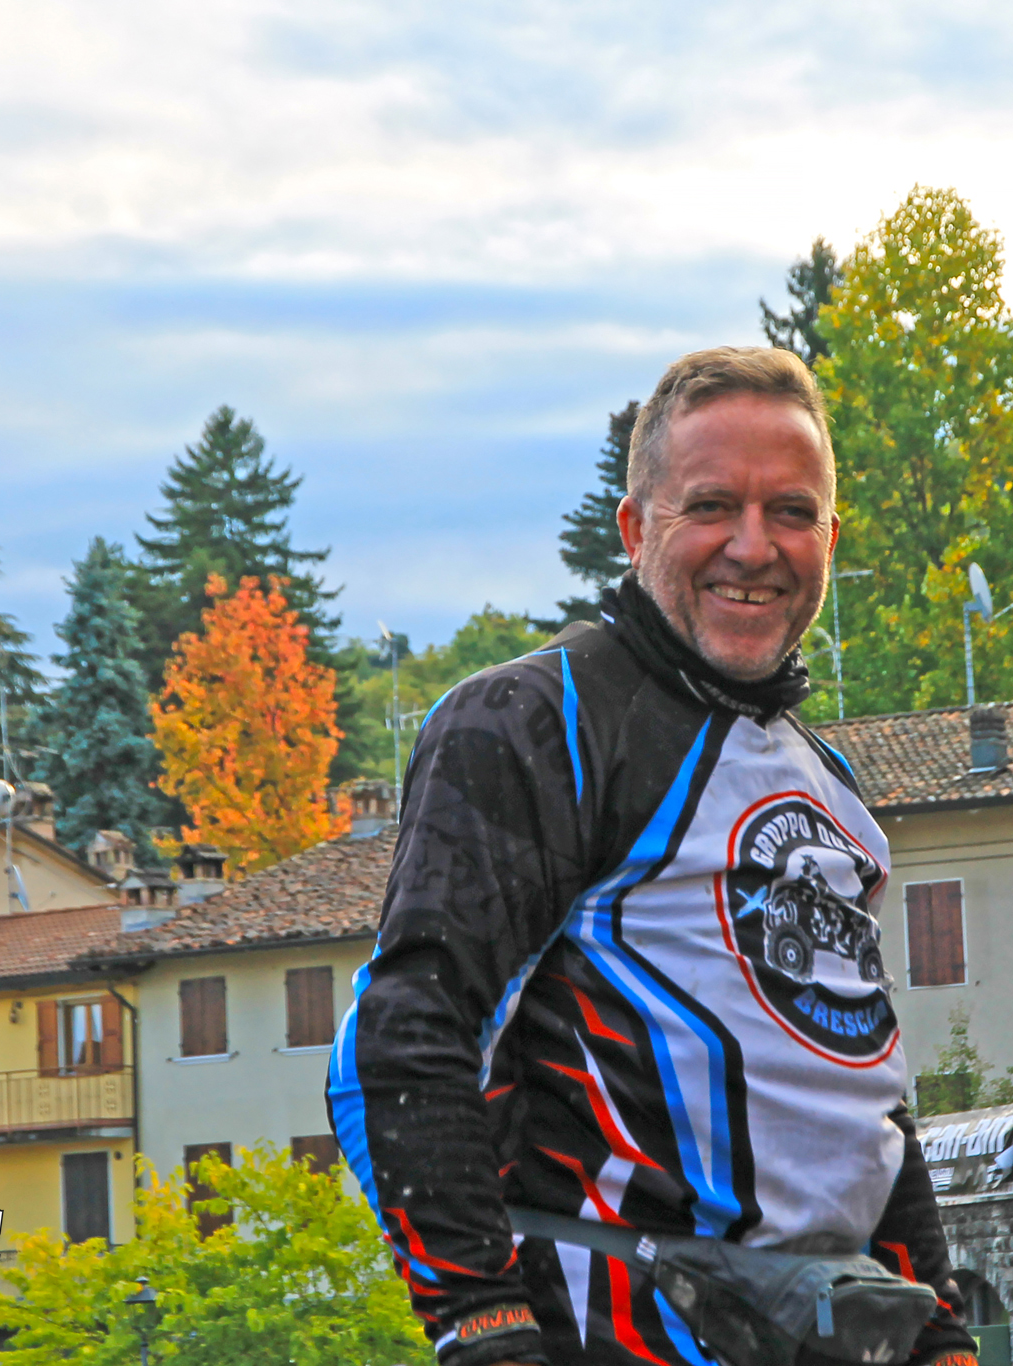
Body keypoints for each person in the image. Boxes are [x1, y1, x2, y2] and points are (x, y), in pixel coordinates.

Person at [328, 347, 979, 1366]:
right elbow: (399, 1041)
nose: (753, 547)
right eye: (710, 507)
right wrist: (484, 1325)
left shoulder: (833, 790)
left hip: (832, 1329)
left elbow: (855, 1100)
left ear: (830, 539)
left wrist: (939, 1329)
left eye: (792, 512)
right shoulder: (536, 720)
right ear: (635, 529)